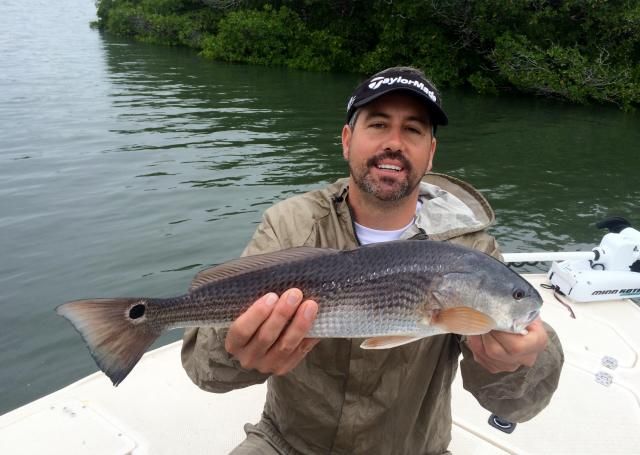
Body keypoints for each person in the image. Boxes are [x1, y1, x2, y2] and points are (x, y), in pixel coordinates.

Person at [181, 66, 564, 454]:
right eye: (378, 124)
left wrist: (519, 362)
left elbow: (516, 405)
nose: (394, 142)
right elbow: (204, 370)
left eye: (413, 129)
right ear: (347, 140)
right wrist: (239, 352)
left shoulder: (472, 250)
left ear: (431, 153)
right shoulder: (289, 224)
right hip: (287, 442)